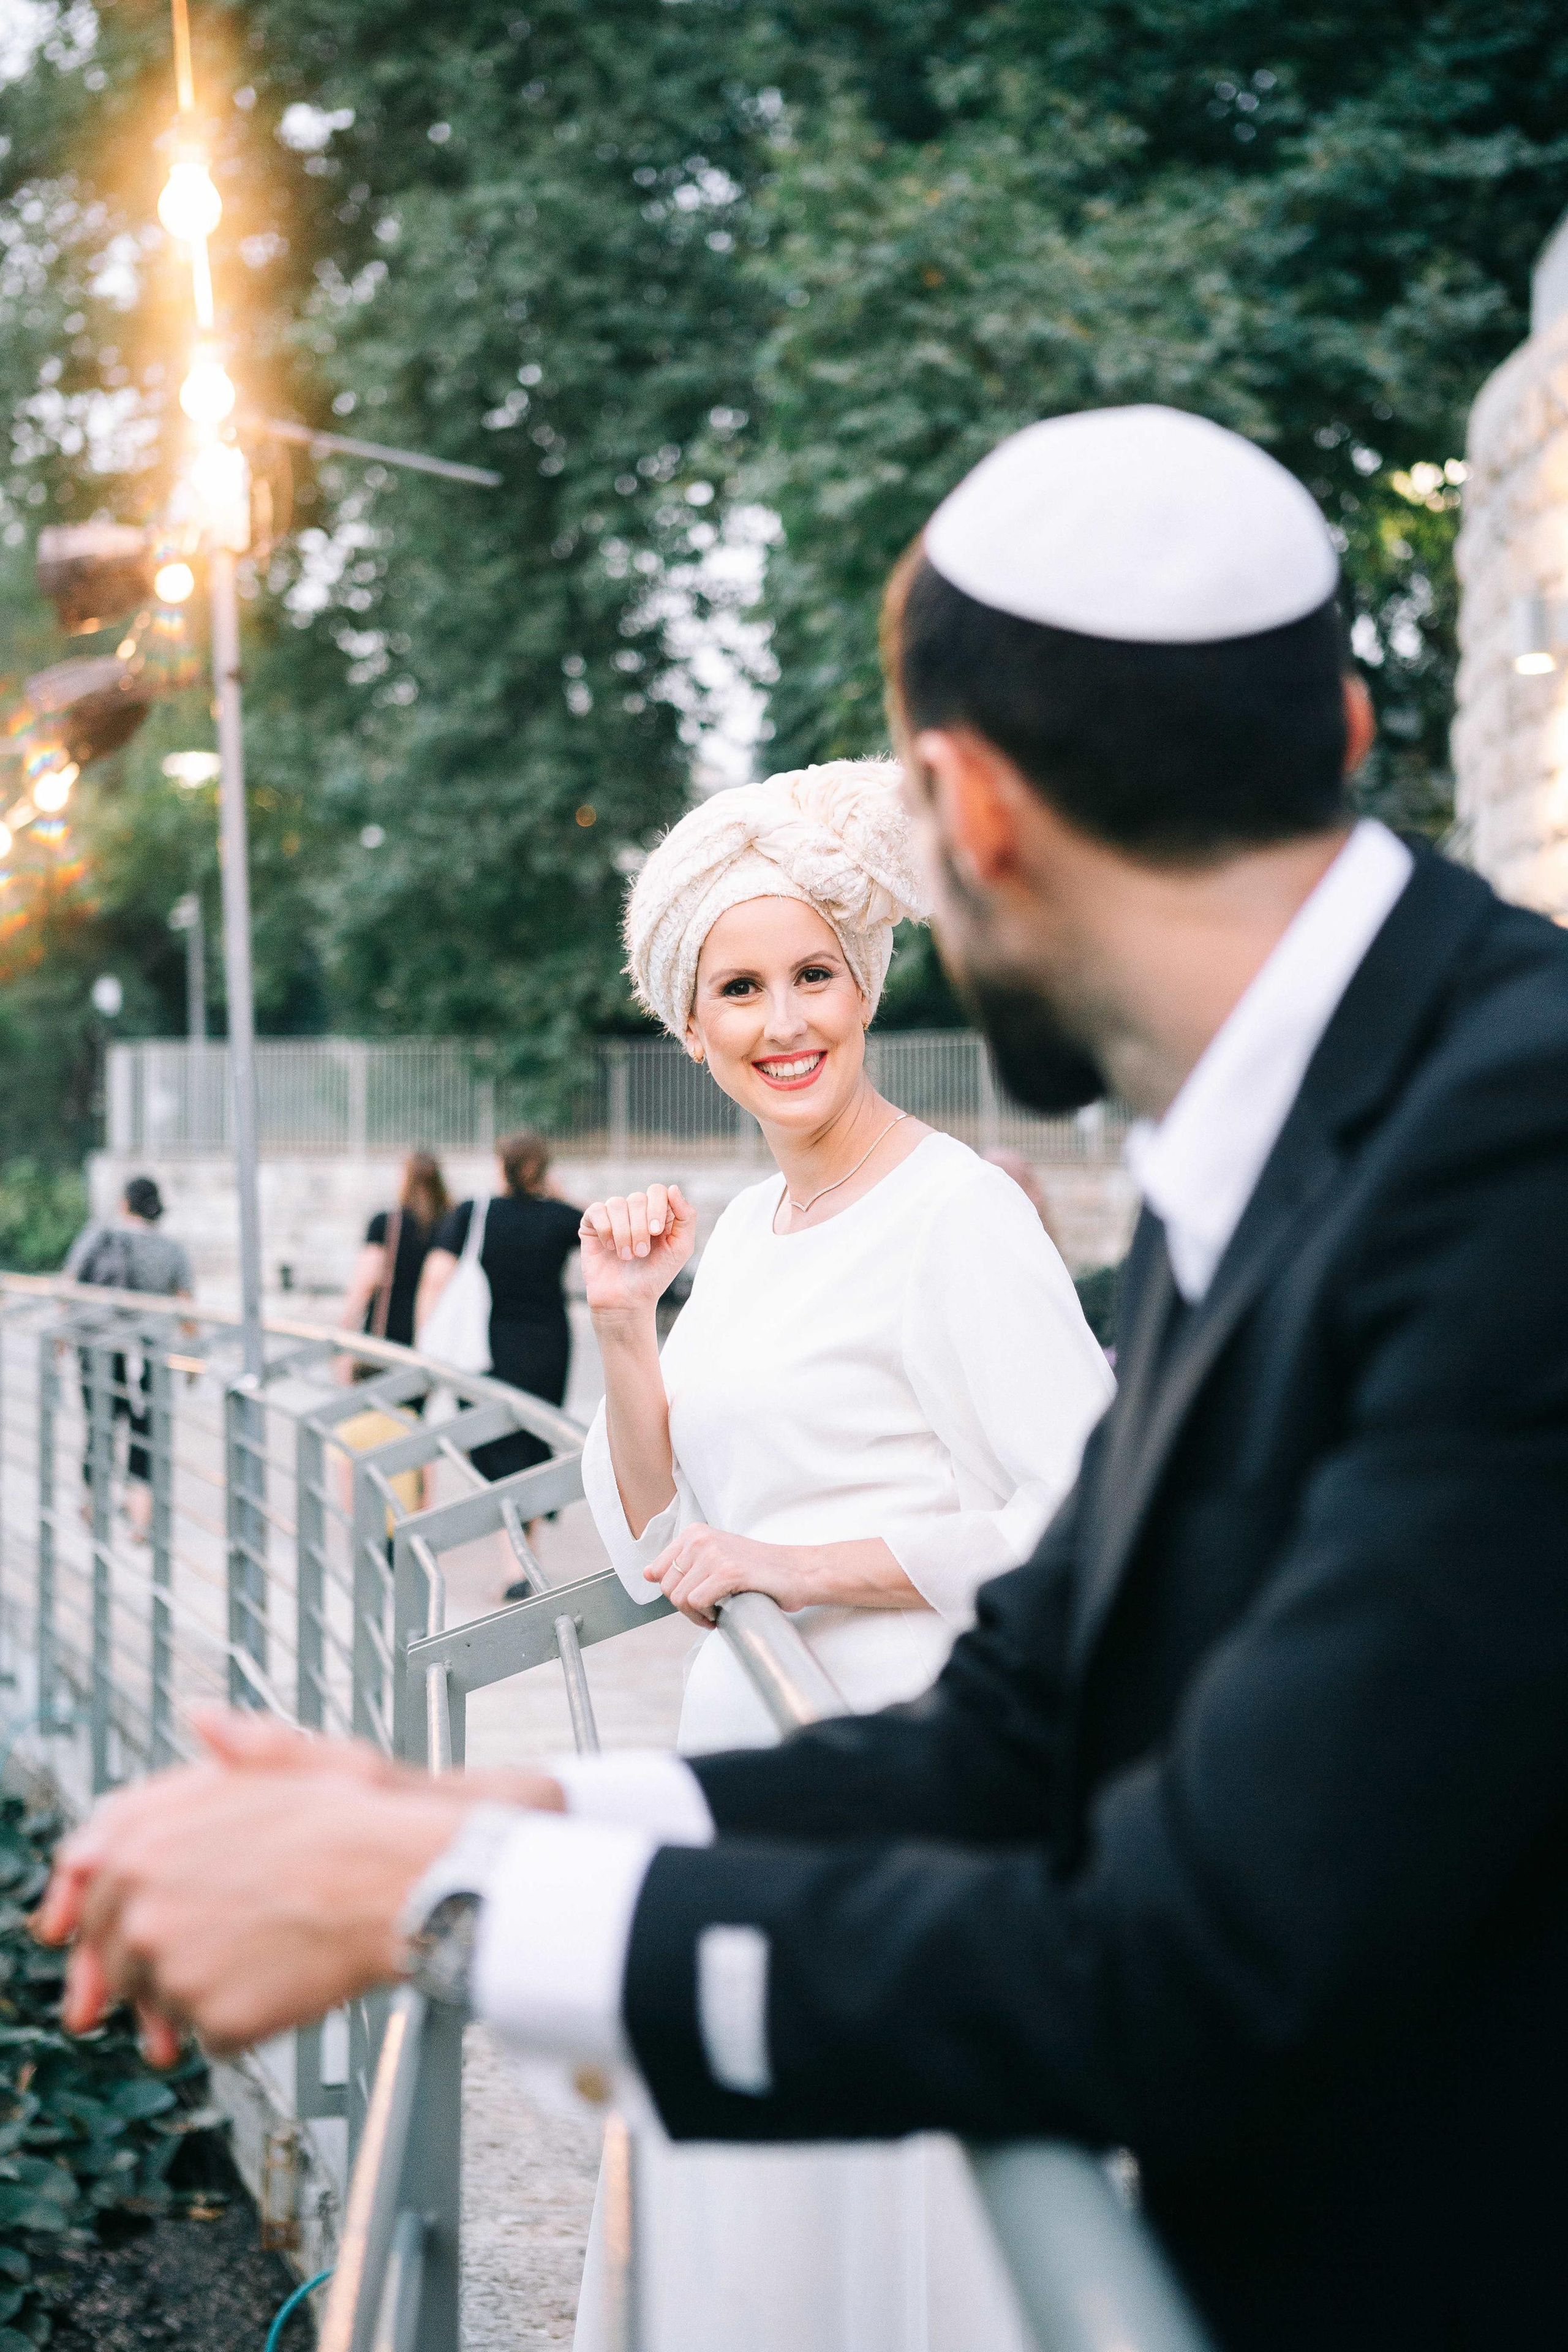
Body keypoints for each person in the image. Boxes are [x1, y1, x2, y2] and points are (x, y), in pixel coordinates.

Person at [38, 404, 1568, 2352]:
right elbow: (1030, 1708)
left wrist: (445, 1905)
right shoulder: (1290, 1110)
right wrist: (465, 1815)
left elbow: (1205, 1959)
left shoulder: (1513, 1157)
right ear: (1345, 739)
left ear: (962, 810)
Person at [570, 760, 1114, 2349]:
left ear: (864, 987)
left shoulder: (957, 1215)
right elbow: (660, 1546)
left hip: (913, 1787)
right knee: (766, 2237)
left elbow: (1086, 1523)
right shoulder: (744, 1235)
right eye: (740, 987)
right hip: (757, 1775)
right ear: (692, 1023)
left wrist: (813, 1567)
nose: (784, 1019)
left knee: (908, 2227)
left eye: (815, 973)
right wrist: (623, 1327)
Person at [417, 1134, 581, 1571]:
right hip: (548, 1345)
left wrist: (427, 1343)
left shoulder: (476, 1213)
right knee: (533, 1444)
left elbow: (436, 1278)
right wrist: (558, 1195)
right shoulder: (560, 1217)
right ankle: (527, 1558)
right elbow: (599, 1224)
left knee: (492, 1445)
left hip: (486, 1348)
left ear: (499, 1167)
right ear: (544, 1169)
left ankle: (514, 1564)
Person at [63, 1176, 193, 1542]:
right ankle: (140, 1517)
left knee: (100, 1423)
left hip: (99, 1346)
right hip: (152, 1350)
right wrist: (194, 1360)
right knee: (147, 1430)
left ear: (124, 1204)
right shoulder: (172, 1249)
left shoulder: (98, 1236)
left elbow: (69, 1285)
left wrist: (62, 1335)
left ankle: (93, 1503)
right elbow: (187, 1307)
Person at [339, 1150, 450, 1360]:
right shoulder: (452, 1226)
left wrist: (344, 1332)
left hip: (388, 1337)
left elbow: (365, 1282)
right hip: (437, 1340)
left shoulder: (386, 1224)